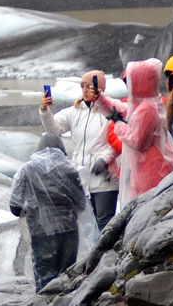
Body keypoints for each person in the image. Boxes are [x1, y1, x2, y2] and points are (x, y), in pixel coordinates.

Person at [9, 132, 89, 294]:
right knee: (67, 281)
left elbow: (15, 205)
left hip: (42, 233)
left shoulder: (27, 169)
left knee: (45, 282)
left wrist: (28, 210)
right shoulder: (70, 169)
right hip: (69, 232)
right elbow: (81, 204)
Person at [42, 70, 119, 230]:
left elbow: (118, 140)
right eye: (82, 86)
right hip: (82, 181)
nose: (84, 90)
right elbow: (54, 128)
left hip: (104, 179)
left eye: (89, 86)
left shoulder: (109, 111)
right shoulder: (74, 111)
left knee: (104, 225)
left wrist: (104, 159)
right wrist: (44, 110)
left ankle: (107, 248)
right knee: (87, 227)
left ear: (98, 88)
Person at [107, 58, 173, 207]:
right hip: (150, 169)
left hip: (150, 171)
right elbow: (122, 108)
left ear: (139, 82)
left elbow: (138, 142)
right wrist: (101, 98)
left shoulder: (147, 108)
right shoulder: (151, 102)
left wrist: (119, 124)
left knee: (147, 209)